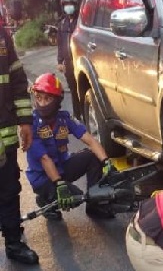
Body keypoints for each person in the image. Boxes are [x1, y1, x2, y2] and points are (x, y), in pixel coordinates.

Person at [25, 73, 115, 221]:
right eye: (39, 98)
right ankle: (45, 200)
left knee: (92, 157)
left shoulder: (64, 118)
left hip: (62, 167)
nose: (42, 103)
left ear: (57, 101)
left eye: (47, 98)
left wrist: (106, 162)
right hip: (43, 178)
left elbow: (90, 140)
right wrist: (59, 184)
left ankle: (94, 206)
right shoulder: (31, 125)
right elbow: (44, 158)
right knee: (76, 197)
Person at [0, 22, 39, 265]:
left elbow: (16, 76)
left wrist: (25, 121)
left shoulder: (1, 34)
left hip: (5, 133)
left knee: (9, 189)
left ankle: (13, 241)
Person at [56, 0, 80, 111]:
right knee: (73, 90)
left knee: (82, 89)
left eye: (71, 4)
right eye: (66, 4)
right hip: (68, 64)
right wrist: (60, 61)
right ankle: (77, 116)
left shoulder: (80, 21)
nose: (68, 6)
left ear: (75, 5)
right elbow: (60, 44)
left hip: (79, 62)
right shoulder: (62, 24)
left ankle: (86, 115)